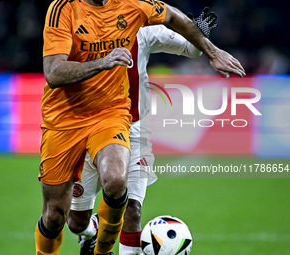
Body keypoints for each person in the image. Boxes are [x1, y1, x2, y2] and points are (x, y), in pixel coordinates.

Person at [35, 0, 245, 254]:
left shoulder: (141, 19)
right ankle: (89, 231)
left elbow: (186, 42)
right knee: (70, 220)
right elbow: (54, 71)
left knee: (129, 204)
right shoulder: (65, 10)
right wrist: (103, 61)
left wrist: (201, 37)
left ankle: (103, 251)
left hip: (126, 123)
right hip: (69, 120)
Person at [67, 8, 218, 255]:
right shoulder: (82, 30)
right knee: (76, 223)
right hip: (89, 129)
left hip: (134, 132)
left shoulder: (144, 31)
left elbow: (191, 49)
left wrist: (196, 32)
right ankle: (92, 228)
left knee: (133, 209)